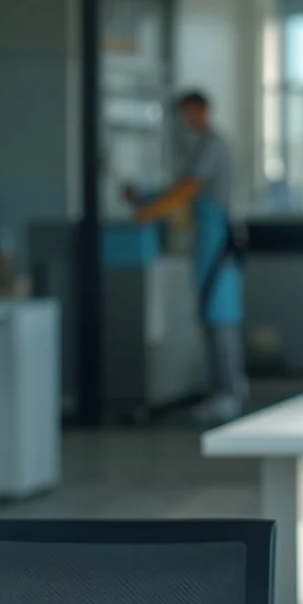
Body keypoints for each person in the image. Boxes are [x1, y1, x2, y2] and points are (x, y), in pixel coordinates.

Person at [127, 91, 247, 423]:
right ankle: (224, 389)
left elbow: (187, 189)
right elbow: (179, 188)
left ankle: (229, 392)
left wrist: (149, 211)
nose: (183, 121)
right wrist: (147, 199)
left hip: (219, 244)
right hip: (206, 243)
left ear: (200, 110)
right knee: (211, 320)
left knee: (220, 320)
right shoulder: (199, 146)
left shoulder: (213, 145)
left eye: (186, 113)